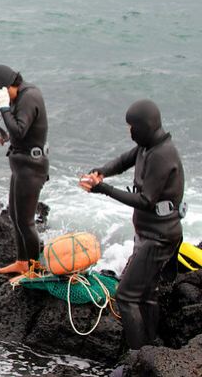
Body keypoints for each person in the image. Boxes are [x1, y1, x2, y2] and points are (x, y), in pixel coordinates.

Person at [80, 99, 185, 350]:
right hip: (149, 233)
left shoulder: (162, 155)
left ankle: (139, 355)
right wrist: (101, 172)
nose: (129, 131)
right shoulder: (147, 147)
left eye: (131, 127)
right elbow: (123, 160)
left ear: (144, 127)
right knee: (147, 295)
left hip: (159, 237)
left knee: (126, 296)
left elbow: (146, 200)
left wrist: (103, 189)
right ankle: (150, 348)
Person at [0, 65, 49, 275]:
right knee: (15, 214)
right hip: (21, 166)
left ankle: (34, 269)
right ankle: (22, 262)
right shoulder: (19, 97)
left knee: (26, 220)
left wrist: (4, 109)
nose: (1, 98)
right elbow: (17, 133)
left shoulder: (29, 97)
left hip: (32, 168)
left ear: (7, 86)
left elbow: (20, 132)